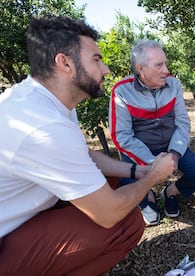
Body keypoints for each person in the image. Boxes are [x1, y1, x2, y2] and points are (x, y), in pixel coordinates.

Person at [0, 16, 175, 275]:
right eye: (96, 59)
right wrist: (153, 178)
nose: (105, 69)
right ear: (65, 63)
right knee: (126, 223)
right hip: (5, 240)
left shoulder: (44, 100)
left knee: (110, 182)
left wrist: (135, 172)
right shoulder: (45, 127)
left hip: (19, 213)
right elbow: (109, 213)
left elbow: (81, 153)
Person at [109, 39, 195, 226]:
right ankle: (147, 198)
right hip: (140, 150)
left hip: (170, 146)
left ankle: (171, 192)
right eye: (159, 65)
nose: (166, 70)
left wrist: (174, 154)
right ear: (141, 69)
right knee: (127, 181)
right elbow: (121, 136)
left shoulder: (174, 85)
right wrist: (153, 163)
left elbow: (182, 122)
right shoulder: (122, 91)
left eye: (165, 63)